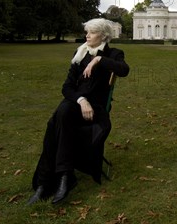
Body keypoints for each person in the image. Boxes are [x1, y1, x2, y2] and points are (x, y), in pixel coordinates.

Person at [27, 18, 130, 205]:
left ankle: (46, 182)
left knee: (57, 120)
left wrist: (99, 59)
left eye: (92, 32)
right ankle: (64, 177)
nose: (87, 35)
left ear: (104, 36)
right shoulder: (80, 54)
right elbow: (66, 87)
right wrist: (82, 101)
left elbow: (124, 70)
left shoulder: (114, 54)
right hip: (77, 103)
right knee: (64, 112)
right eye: (87, 32)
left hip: (96, 109)